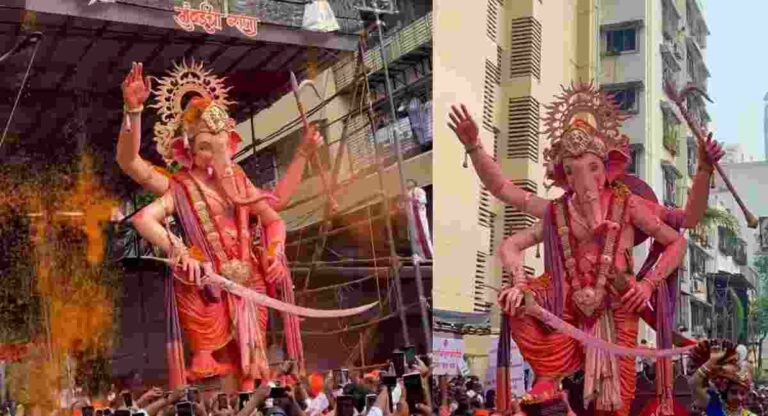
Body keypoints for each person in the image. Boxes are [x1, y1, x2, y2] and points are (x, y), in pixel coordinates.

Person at [689, 340, 757, 416]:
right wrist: (711, 362)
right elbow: (693, 385)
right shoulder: (712, 403)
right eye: (733, 392)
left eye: (742, 393)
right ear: (724, 389)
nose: (739, 397)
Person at [405, 179, 432, 260]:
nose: (407, 184)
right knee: (415, 238)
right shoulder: (407, 194)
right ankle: (420, 255)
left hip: (419, 217)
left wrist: (413, 200)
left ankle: (429, 254)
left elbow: (423, 201)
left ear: (413, 183)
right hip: (412, 218)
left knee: (424, 236)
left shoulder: (419, 191)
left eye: (409, 182)